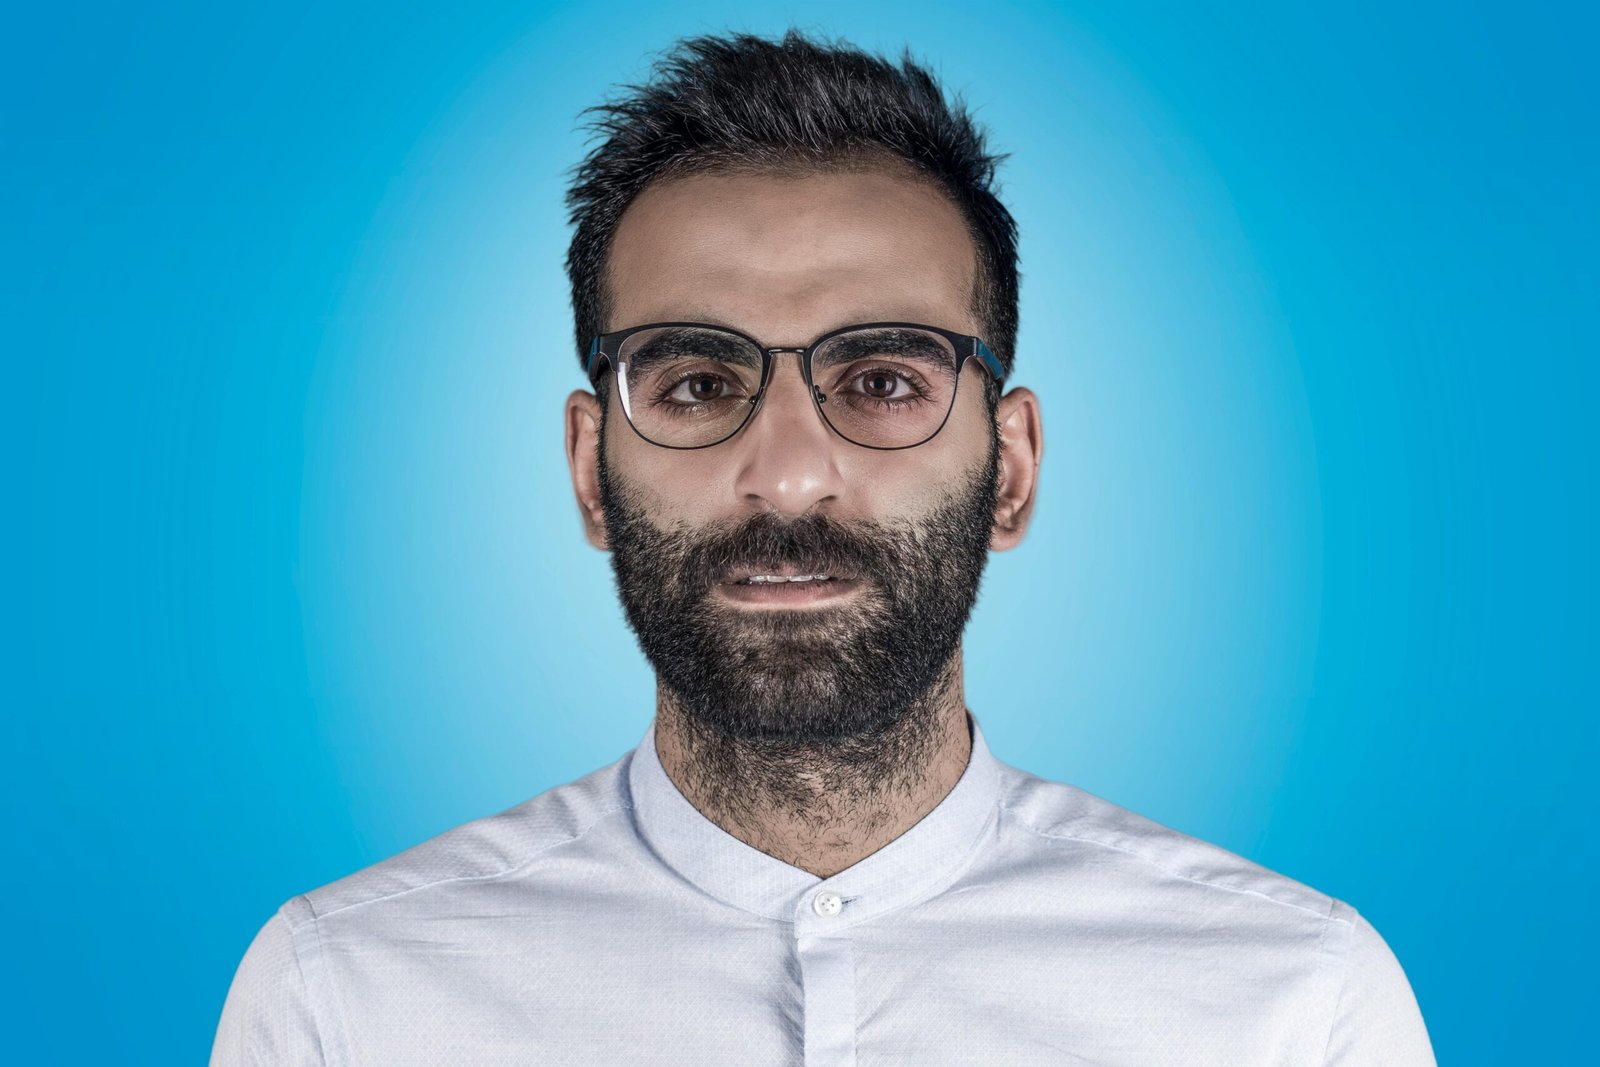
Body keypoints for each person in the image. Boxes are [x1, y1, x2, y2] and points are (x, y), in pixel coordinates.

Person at [211, 28, 1435, 1066]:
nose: (789, 473)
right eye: (696, 383)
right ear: (589, 468)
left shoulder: (1293, 1001)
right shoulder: (346, 994)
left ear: (1011, 468)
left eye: (885, 378)